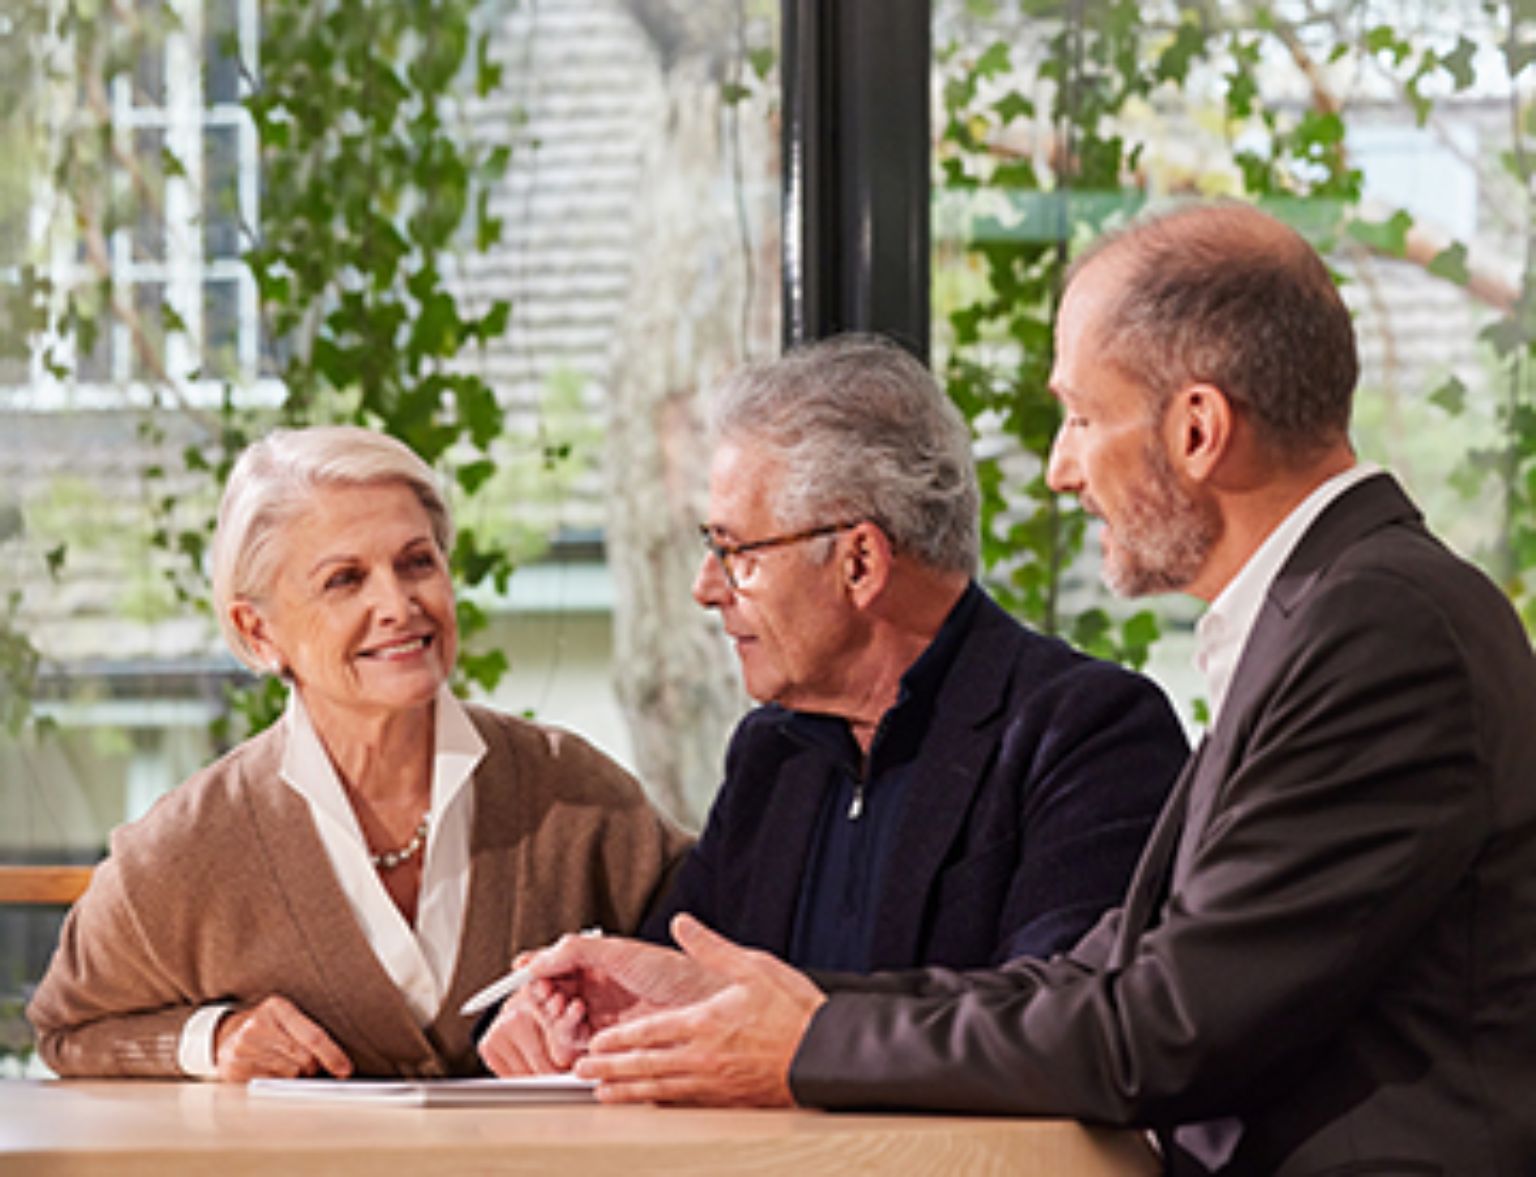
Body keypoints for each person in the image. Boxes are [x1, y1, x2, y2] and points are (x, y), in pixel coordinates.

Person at [502, 204, 1536, 1175]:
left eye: (1083, 418)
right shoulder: (1332, 615)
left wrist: (809, 1038)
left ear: (1197, 429)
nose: (1058, 469)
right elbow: (1098, 979)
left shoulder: (1378, 630)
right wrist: (745, 1001)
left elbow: (1166, 1031)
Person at [477, 335, 1187, 1076]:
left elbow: (1060, 1027)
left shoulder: (1088, 733)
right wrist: (581, 1013)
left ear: (860, 561)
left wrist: (796, 1029)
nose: (706, 587)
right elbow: (675, 980)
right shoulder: (770, 754)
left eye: (736, 552)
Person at [27, 425, 690, 1081]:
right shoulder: (185, 848)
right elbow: (65, 1029)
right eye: (345, 579)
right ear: (257, 632)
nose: (398, 605)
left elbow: (716, 961)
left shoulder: (575, 794)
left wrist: (607, 1009)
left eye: (416, 562)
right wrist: (214, 1038)